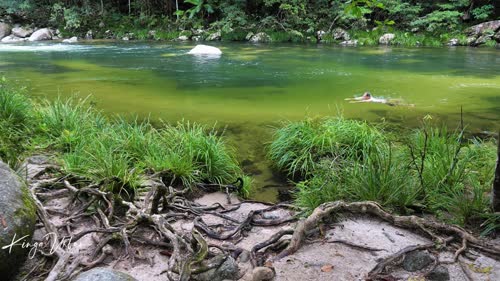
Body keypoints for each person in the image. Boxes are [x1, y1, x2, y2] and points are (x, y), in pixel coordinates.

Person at [345, 91, 414, 107]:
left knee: (397, 104)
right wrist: (349, 99)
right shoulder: (367, 97)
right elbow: (358, 98)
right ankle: (400, 100)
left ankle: (410, 105)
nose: (363, 97)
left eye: (364, 96)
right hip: (384, 100)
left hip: (384, 102)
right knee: (396, 103)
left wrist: (353, 102)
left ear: (368, 97)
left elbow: (361, 102)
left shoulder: (370, 99)